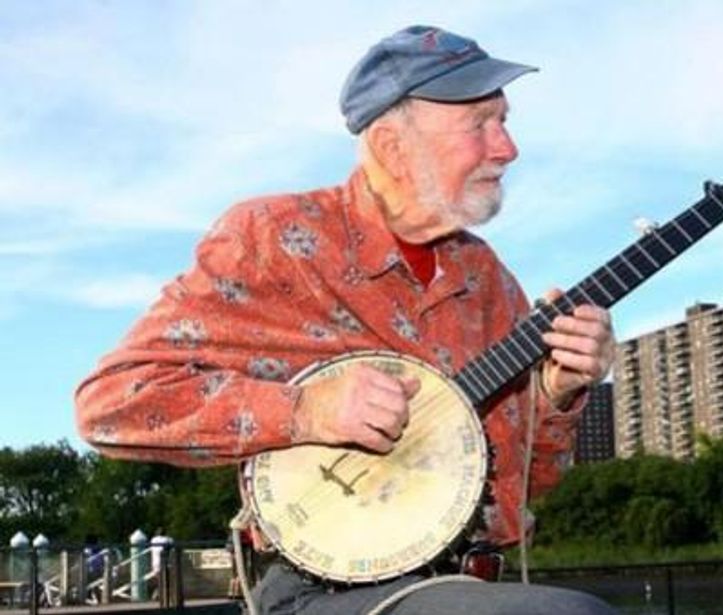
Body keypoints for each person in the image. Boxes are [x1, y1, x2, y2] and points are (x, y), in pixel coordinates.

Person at [75, 25, 616, 615]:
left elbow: (526, 485)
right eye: (480, 124)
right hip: (320, 591)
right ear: (391, 147)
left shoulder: (486, 281)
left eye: (505, 122)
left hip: (470, 586)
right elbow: (111, 403)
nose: (507, 148)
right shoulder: (274, 240)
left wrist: (557, 395)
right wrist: (308, 411)